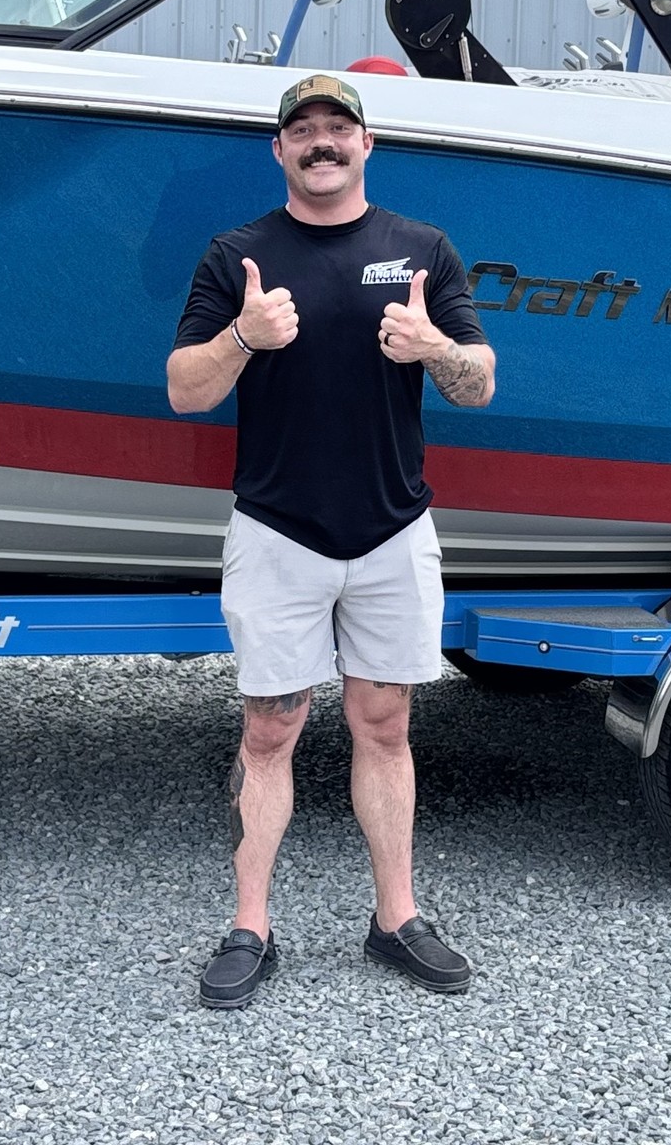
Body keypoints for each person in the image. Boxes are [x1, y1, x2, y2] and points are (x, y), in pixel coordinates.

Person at [167, 72, 497, 1011]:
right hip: (278, 531)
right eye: (303, 128)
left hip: (392, 530)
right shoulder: (238, 255)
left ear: (366, 144)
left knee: (384, 725)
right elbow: (185, 389)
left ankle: (396, 918)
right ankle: (249, 927)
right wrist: (243, 335)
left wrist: (433, 348)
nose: (322, 141)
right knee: (269, 730)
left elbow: (480, 382)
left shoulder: (421, 249)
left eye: (338, 127)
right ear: (278, 149)